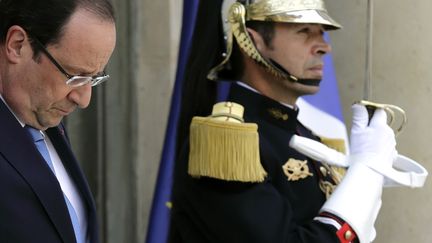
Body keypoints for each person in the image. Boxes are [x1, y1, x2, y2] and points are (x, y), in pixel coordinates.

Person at [169, 0, 397, 242]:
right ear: (251, 41)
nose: (323, 47)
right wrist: (366, 176)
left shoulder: (302, 135)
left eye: (321, 32)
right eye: (304, 31)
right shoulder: (225, 147)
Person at [0, 0, 116, 242]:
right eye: (75, 77)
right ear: (17, 45)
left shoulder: (45, 115)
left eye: (94, 78)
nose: (84, 99)